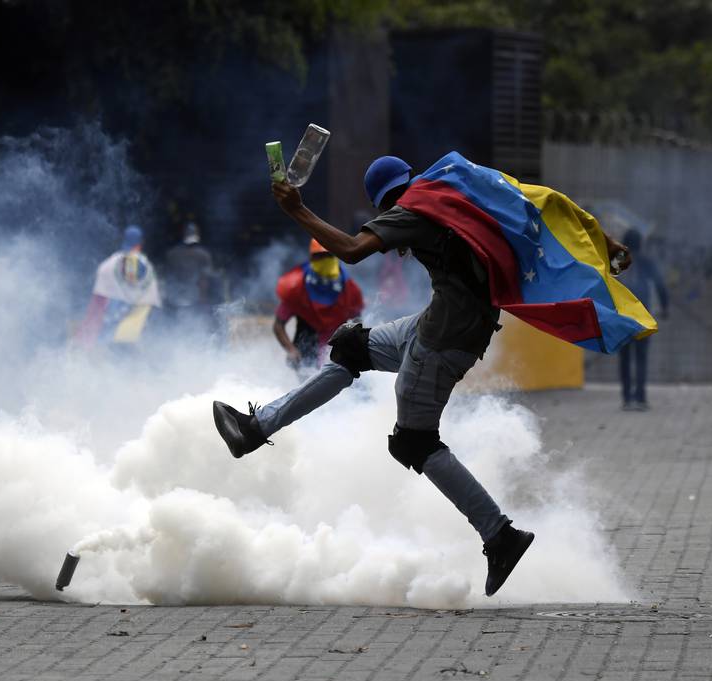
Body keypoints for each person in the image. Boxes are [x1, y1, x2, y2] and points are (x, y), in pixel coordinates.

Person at [213, 153, 653, 597]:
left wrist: (297, 210)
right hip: (441, 324)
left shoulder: (411, 211)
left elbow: (350, 250)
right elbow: (538, 204)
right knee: (349, 347)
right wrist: (604, 241)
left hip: (443, 340)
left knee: (415, 439)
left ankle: (500, 535)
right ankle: (256, 427)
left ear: (386, 203)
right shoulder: (456, 183)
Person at [273, 238, 364, 369]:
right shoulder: (296, 286)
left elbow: (357, 323)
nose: (325, 260)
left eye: (329, 255)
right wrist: (291, 350)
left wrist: (353, 348)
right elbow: (278, 325)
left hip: (336, 349)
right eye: (320, 256)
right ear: (312, 258)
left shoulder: (350, 289)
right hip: (306, 349)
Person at [75, 225, 162, 350]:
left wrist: (85, 339)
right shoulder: (148, 268)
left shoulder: (107, 266)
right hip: (130, 334)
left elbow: (96, 307)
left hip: (106, 331)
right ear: (140, 244)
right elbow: (151, 307)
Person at [616, 229, 669, 411]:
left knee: (624, 358)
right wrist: (664, 308)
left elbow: (606, 285)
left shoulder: (618, 261)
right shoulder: (647, 262)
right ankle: (640, 397)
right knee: (641, 358)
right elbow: (661, 285)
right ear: (641, 243)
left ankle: (626, 398)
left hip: (622, 317)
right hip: (642, 316)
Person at [163, 221, 217, 333]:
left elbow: (168, 279)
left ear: (184, 235)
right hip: (195, 301)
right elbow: (204, 280)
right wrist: (204, 301)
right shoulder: (204, 255)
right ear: (197, 236)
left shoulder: (171, 254)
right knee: (198, 331)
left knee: (174, 331)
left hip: (174, 300)